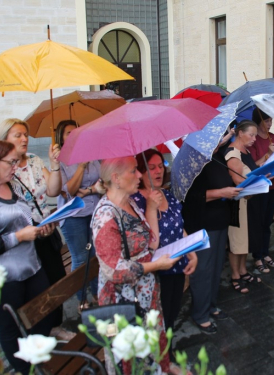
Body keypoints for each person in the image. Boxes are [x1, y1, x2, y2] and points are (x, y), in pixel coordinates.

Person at [92, 156, 182, 374]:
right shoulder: (105, 216)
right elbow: (114, 271)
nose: (140, 175)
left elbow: (150, 244)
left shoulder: (129, 202)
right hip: (122, 300)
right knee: (132, 358)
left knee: (151, 349)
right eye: (134, 171)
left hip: (145, 293)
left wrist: (151, 207)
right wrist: (156, 266)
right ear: (116, 178)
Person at [0, 140, 56, 373]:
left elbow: (22, 217)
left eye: (17, 161)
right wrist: (19, 237)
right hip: (4, 276)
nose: (16, 167)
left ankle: (36, 361)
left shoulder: (12, 185)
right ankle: (25, 370)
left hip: (31, 266)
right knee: (11, 328)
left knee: (44, 316)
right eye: (12, 162)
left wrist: (40, 228)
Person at [0, 118, 68, 337]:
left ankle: (55, 326)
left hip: (47, 228)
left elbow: (53, 190)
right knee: (37, 287)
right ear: (3, 139)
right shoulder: (2, 170)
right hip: (25, 236)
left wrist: (54, 165)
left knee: (56, 278)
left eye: (25, 134)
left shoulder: (34, 160)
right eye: (17, 135)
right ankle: (38, 333)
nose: (24, 138)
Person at [132, 149, 197, 332]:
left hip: (176, 264)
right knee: (158, 316)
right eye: (151, 168)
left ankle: (168, 351)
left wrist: (191, 254)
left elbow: (178, 227)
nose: (158, 171)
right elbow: (150, 241)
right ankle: (161, 356)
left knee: (173, 311)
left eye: (161, 166)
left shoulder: (167, 194)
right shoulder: (136, 201)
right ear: (141, 172)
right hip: (156, 270)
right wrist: (151, 207)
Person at [182, 139, 241, 334]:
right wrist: (221, 192)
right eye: (216, 139)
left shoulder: (216, 158)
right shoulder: (192, 161)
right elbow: (191, 197)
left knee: (216, 268)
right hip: (202, 224)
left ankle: (211, 305)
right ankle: (200, 313)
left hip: (220, 221)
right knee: (203, 270)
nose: (220, 141)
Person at [55, 120, 105, 310]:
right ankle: (81, 299)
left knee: (94, 255)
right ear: (61, 137)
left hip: (94, 211)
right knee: (80, 257)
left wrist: (90, 189)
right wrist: (82, 167)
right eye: (69, 132)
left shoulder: (92, 153)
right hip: (74, 215)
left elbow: (102, 181)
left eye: (77, 131)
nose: (74, 134)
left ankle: (95, 293)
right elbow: (70, 191)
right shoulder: (60, 161)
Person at [225, 120, 264, 292]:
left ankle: (243, 270)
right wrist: (258, 180)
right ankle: (235, 275)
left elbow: (250, 172)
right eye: (251, 134)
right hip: (238, 204)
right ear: (240, 133)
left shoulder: (245, 150)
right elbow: (237, 180)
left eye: (255, 135)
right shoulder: (233, 153)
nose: (254, 138)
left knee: (244, 240)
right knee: (236, 241)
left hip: (249, 201)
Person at [247, 109, 274, 273]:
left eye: (270, 120)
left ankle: (265, 253)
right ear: (258, 122)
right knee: (258, 222)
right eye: (266, 121)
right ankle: (257, 256)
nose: (269, 124)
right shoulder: (253, 140)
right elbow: (253, 165)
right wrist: (267, 154)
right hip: (260, 186)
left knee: (268, 221)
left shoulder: (273, 137)